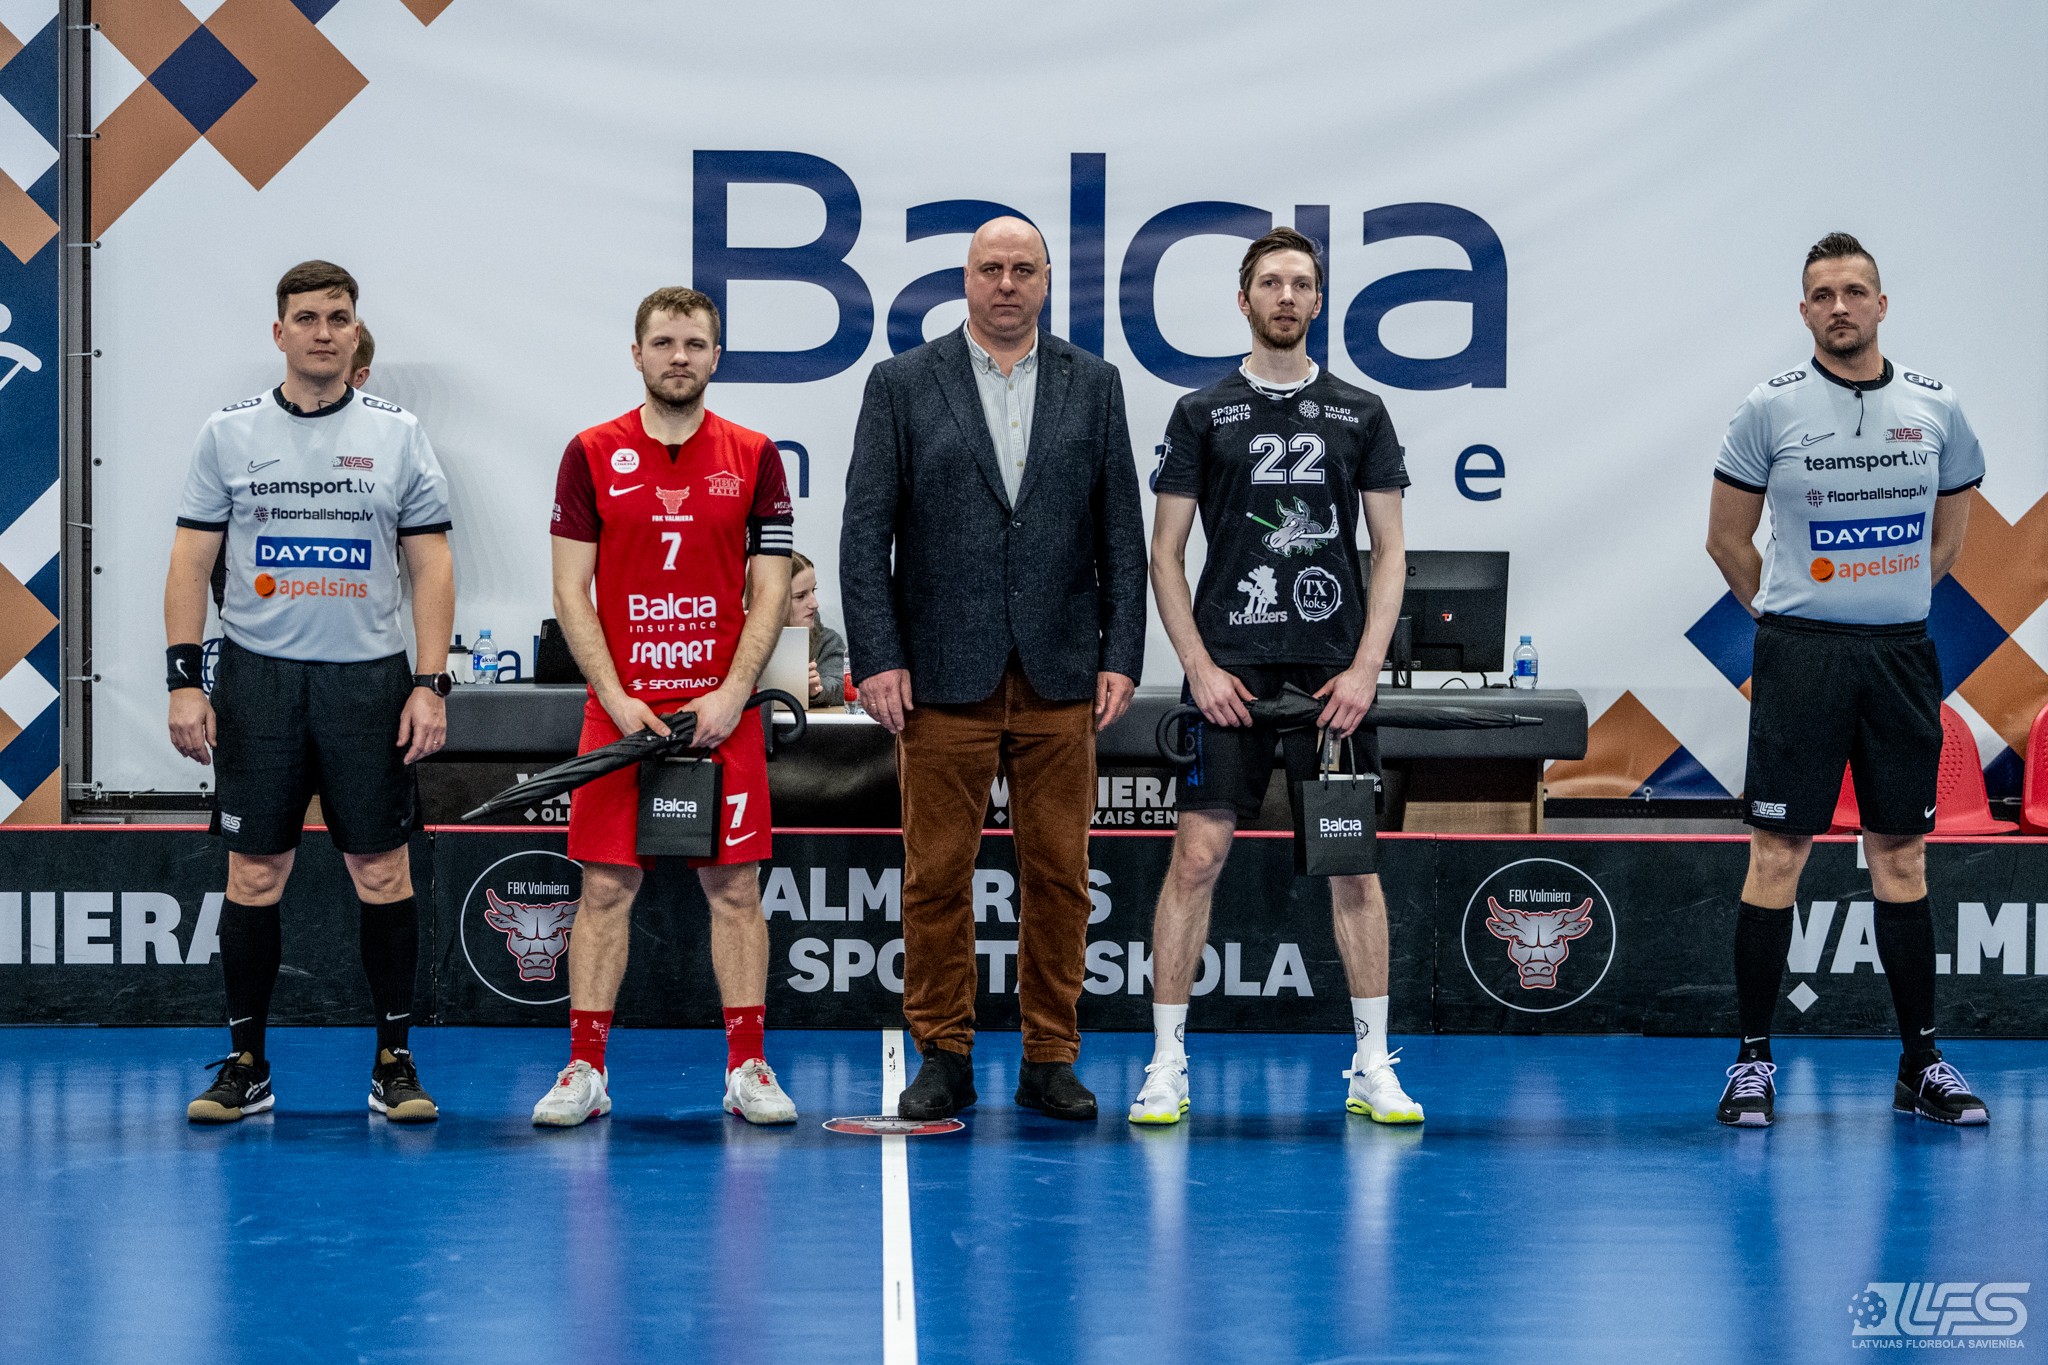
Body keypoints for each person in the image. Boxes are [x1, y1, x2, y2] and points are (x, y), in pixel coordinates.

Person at [842, 216, 1147, 1122]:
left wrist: (1121, 654)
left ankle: (1050, 1055)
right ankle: (943, 1052)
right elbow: (864, 535)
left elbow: (1121, 537)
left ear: (1047, 280)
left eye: (1022, 269)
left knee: (1060, 876)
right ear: (966, 279)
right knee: (936, 874)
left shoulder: (1095, 384)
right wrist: (878, 656)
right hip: (940, 675)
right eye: (990, 268)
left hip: (1062, 673)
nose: (1006, 283)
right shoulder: (901, 383)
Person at [1131, 227, 1419, 1126]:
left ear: (1319, 301)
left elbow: (1391, 551)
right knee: (1196, 858)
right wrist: (1198, 666)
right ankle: (1166, 1062)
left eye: (1300, 283)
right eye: (1270, 283)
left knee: (1352, 867)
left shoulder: (1361, 412)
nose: (1285, 296)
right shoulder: (1200, 411)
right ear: (1244, 299)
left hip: (1333, 681)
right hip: (1231, 674)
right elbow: (1165, 554)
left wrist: (1366, 669)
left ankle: (1372, 1064)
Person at [1706, 232, 1988, 1128]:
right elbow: (1726, 539)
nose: (1840, 306)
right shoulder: (1769, 408)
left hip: (1900, 655)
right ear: (1804, 312)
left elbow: (1948, 538)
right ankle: (1753, 1061)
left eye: (1855, 291)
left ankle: (1921, 1064)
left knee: (1901, 855)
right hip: (1801, 657)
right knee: (1777, 854)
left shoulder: (1937, 406)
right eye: (1823, 294)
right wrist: (1790, 614)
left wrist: (1886, 599)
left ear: (1881, 304)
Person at [165, 262, 454, 1124]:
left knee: (382, 868)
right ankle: (246, 1064)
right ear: (279, 332)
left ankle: (394, 1061)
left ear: (356, 331)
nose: (323, 331)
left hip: (368, 682)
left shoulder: (399, 433)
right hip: (259, 680)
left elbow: (431, 563)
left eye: (337, 317)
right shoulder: (228, 432)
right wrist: (183, 682)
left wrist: (430, 682)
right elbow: (189, 560)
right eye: (306, 317)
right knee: (255, 871)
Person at [536, 286, 798, 1127]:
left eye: (694, 343)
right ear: (637, 353)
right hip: (621, 712)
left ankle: (748, 1064)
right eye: (663, 342)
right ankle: (585, 1068)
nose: (678, 356)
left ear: (716, 355)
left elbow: (771, 592)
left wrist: (733, 692)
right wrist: (615, 698)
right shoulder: (590, 452)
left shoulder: (756, 456)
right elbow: (570, 591)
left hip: (723, 712)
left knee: (736, 888)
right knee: (605, 887)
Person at [209, 320, 375, 611]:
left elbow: (415, 551)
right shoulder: (246, 433)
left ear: (359, 376)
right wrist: (228, 605)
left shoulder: (387, 439)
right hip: (259, 625)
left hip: (358, 627)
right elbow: (210, 540)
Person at [787, 550, 847, 710]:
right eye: (800, 596)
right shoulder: (739, 638)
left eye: (813, 590)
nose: (814, 604)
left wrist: (816, 690)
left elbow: (842, 685)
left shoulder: (827, 640)